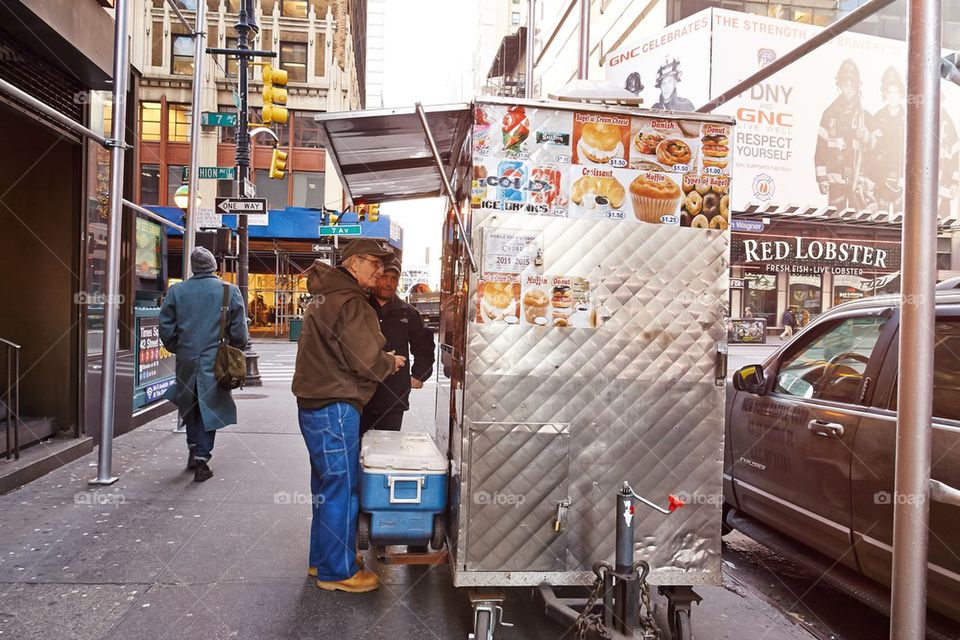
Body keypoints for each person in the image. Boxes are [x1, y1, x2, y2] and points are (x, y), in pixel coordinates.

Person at [292, 239, 406, 594]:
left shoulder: (327, 293)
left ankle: (323, 558)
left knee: (326, 487)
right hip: (335, 402)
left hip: (315, 401)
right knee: (342, 488)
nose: (381, 271)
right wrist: (391, 361)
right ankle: (336, 571)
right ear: (354, 263)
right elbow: (365, 361)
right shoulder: (351, 301)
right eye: (374, 263)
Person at [158, 247, 247, 483]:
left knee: (191, 404)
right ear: (213, 266)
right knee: (210, 406)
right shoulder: (229, 291)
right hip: (215, 357)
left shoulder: (176, 291)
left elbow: (166, 330)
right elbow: (239, 332)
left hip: (186, 358)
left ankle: (193, 448)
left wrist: (180, 346)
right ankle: (201, 457)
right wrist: (233, 345)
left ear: (193, 267)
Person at [361, 257, 436, 435]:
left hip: (393, 396)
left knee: (388, 450)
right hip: (361, 394)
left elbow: (424, 346)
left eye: (394, 278)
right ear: (375, 277)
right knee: (357, 449)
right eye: (384, 276)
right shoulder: (360, 307)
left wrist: (419, 375)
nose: (389, 283)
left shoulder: (408, 312)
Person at [815, 59, 874, 210]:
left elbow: (879, 152)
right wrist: (822, 179)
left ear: (856, 87)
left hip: (858, 182)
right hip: (836, 180)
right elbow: (820, 149)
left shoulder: (866, 117)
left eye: (851, 85)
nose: (848, 89)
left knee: (860, 224)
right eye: (845, 85)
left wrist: (867, 137)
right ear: (840, 86)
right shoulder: (829, 114)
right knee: (835, 222)